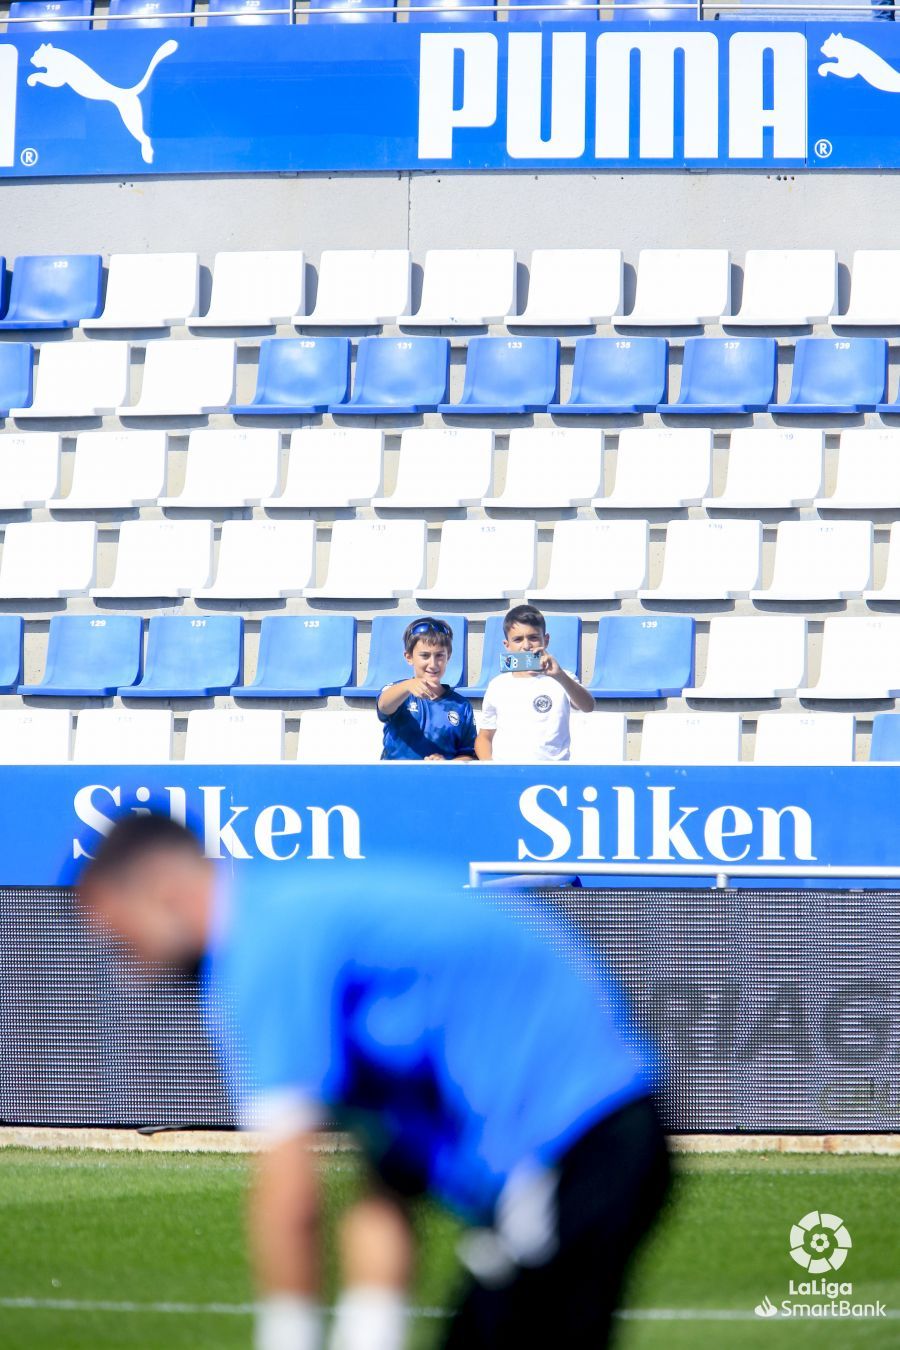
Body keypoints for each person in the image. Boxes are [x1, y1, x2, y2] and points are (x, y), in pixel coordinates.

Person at [78, 814, 670, 1350]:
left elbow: (291, 1194)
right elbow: (385, 1178)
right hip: (595, 1137)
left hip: (579, 1142)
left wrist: (289, 1336)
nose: (125, 965)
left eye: (120, 934)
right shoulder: (290, 926)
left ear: (163, 892)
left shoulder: (260, 947)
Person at [475, 604, 593, 764]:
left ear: (546, 640)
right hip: (507, 773)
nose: (526, 646)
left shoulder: (563, 678)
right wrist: (491, 766)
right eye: (518, 639)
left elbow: (588, 706)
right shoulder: (497, 685)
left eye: (533, 637)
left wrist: (560, 676)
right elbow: (485, 736)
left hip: (552, 773)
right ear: (507, 645)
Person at [377, 619, 475, 762]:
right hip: (397, 779)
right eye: (425, 656)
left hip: (440, 781)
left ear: (449, 657)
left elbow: (469, 754)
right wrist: (407, 686)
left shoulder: (461, 706)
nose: (433, 664)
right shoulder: (399, 692)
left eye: (440, 655)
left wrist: (447, 764)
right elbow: (384, 705)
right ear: (409, 657)